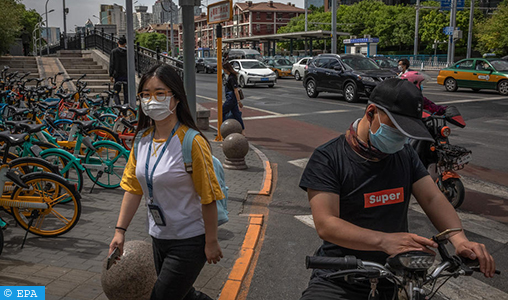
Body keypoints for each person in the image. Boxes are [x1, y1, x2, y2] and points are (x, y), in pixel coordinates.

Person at [298, 78, 496, 300]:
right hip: (339, 276)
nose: (401, 139)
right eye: (397, 130)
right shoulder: (328, 158)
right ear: (371, 113)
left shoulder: (404, 154)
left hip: (395, 276)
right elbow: (327, 224)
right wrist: (385, 241)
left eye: (406, 133)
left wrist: (459, 239)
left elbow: (432, 198)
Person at [108, 64, 224, 300]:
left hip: (190, 239)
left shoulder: (192, 142)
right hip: (159, 237)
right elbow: (133, 188)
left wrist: (211, 241)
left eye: (160, 93)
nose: (152, 100)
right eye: (146, 94)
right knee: (184, 295)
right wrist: (120, 232)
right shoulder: (142, 139)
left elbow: (209, 196)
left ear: (176, 98)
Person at [222, 62, 245, 134]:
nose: (223, 71)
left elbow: (235, 90)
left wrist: (239, 101)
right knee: (236, 115)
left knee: (221, 112)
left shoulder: (231, 78)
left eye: (223, 69)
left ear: (226, 69)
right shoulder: (232, 76)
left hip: (231, 99)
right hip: (232, 99)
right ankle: (242, 131)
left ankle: (223, 129)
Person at [109, 36, 128, 105]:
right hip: (127, 74)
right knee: (127, 93)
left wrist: (111, 75)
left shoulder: (114, 52)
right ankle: (126, 107)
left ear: (118, 42)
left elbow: (112, 64)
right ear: (125, 43)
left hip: (117, 75)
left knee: (116, 92)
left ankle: (118, 106)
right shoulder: (128, 52)